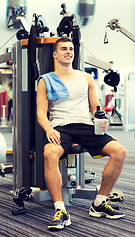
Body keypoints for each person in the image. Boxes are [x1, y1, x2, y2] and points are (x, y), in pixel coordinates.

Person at [36, 37, 126, 231]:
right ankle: (60, 209)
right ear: (55, 54)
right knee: (49, 153)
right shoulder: (46, 80)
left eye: (71, 49)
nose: (69, 52)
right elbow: (40, 114)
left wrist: (100, 119)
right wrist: (49, 129)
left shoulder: (85, 77)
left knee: (119, 151)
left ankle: (99, 203)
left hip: (85, 125)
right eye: (64, 49)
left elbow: (96, 106)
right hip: (60, 127)